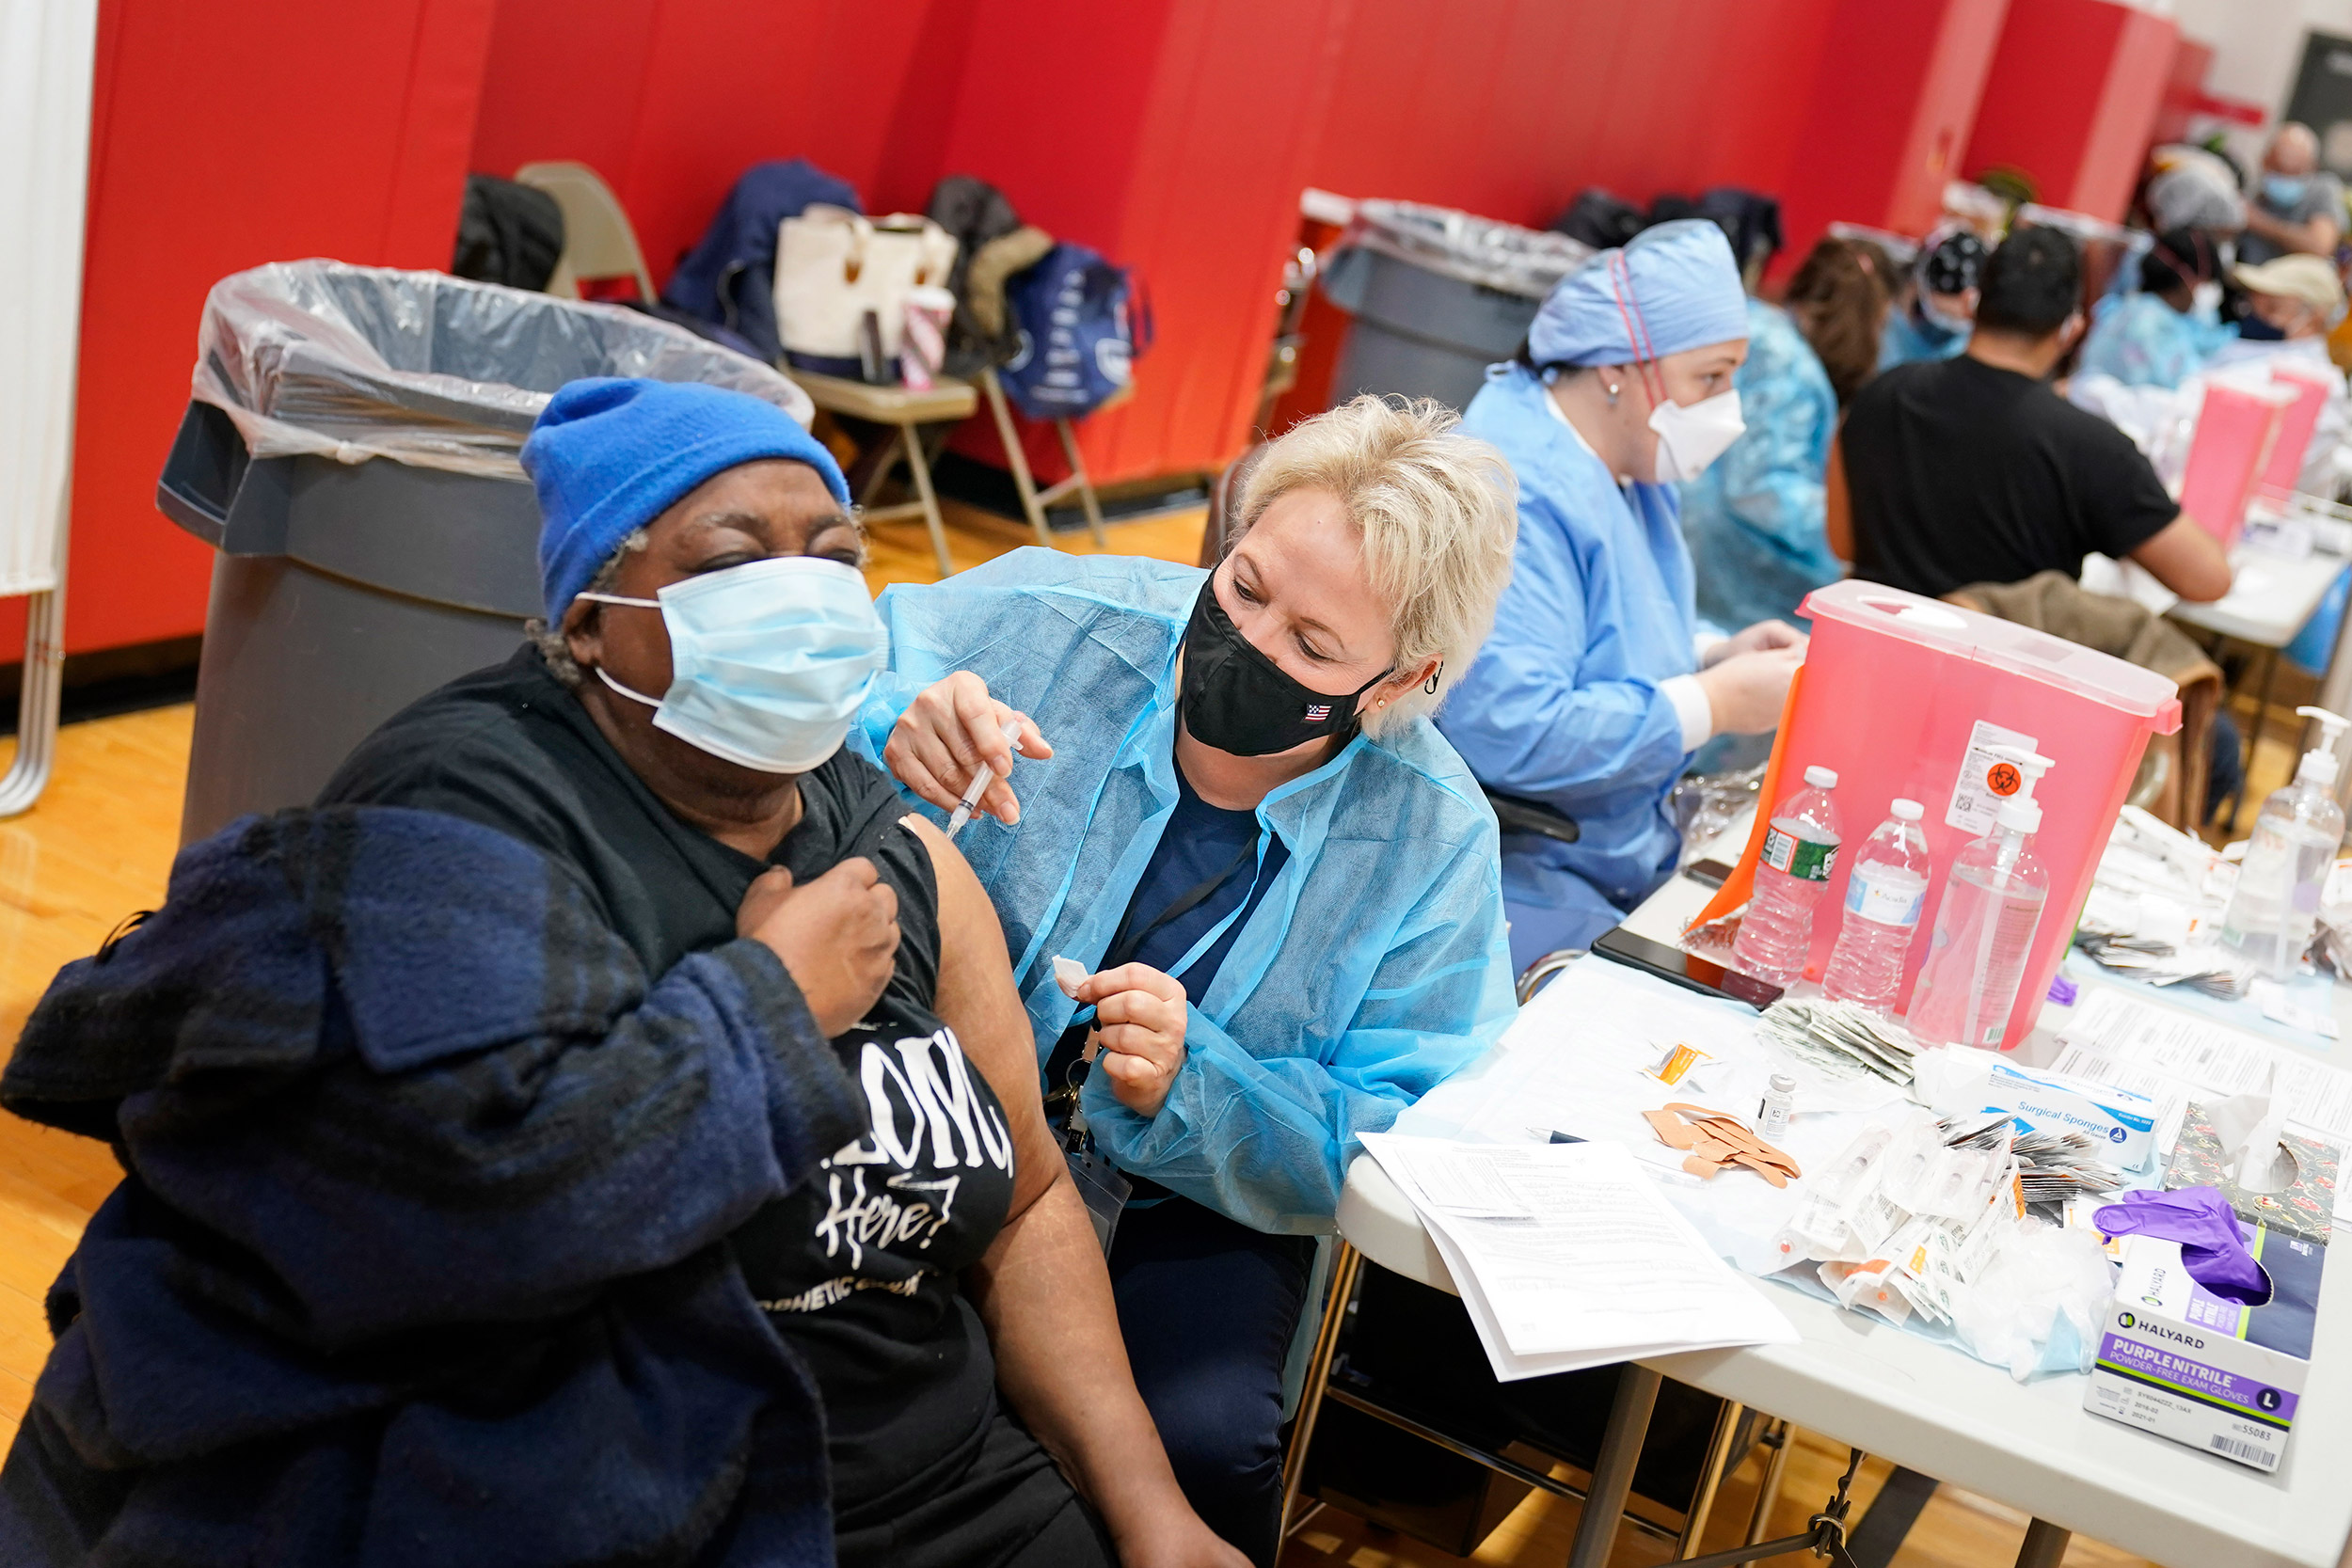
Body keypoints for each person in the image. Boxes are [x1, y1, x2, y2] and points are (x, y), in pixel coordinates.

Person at [0, 378, 1247, 1568]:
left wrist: (1149, 1511)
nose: (801, 591)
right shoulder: (462, 810)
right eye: (729, 559)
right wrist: (770, 1008)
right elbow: (470, 1226)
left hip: (934, 1477)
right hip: (639, 1482)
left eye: (829, 551)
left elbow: (1024, 1196)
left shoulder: (890, 841)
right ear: (592, 615)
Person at [857, 397, 1518, 1563]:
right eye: (1245, 587)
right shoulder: (1050, 626)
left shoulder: (1428, 835)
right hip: (931, 1104)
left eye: (1316, 646)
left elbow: (1416, 1131)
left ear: (1402, 678)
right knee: (881, 1361)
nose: (1251, 645)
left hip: (1193, 1199)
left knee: (1205, 1445)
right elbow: (824, 666)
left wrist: (1200, 1085)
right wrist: (890, 721)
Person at [1435, 219, 1803, 969]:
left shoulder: (1626, 458)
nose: (1726, 407)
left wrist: (1714, 650)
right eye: (1709, 377)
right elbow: (1511, 724)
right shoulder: (1518, 486)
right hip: (1517, 872)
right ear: (1618, 370)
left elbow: (1607, 621)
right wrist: (1715, 703)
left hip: (1613, 849)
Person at [1832, 226, 2233, 606]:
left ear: (1973, 305)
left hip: (1869, 653)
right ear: (2071, 329)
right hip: (1996, 670)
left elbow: (1842, 543)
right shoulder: (2093, 450)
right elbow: (2207, 579)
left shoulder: (1878, 395)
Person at [1679, 234, 1890, 632]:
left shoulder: (1752, 324)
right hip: (1722, 554)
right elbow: (1763, 489)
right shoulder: (1791, 370)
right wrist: (1851, 525)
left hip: (1689, 523)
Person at [2075, 228, 2235, 388]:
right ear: (2187, 280)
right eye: (2207, 283)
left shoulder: (2139, 311)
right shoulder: (2150, 326)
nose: (2209, 294)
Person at [2234, 122, 2344, 266]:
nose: (2285, 177)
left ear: (2312, 167)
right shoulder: (2253, 191)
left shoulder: (2322, 190)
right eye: (2279, 169)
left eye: (2295, 171)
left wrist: (2259, 223)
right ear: (2265, 161)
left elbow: (2320, 246)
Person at [1879, 228, 1987, 369]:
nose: (1964, 316)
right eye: (1945, 313)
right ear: (1920, 287)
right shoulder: (1883, 334)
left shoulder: (1964, 347)